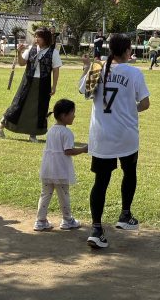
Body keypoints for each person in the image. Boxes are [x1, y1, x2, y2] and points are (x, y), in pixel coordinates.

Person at [80, 34, 150, 249]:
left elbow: (84, 92)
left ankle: (96, 228)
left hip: (102, 135)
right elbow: (145, 103)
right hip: (126, 134)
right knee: (129, 172)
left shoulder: (97, 68)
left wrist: (86, 67)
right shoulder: (134, 72)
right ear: (128, 50)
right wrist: (130, 109)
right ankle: (125, 214)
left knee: (101, 182)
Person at [0, 28, 61, 142]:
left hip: (44, 83)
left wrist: (54, 86)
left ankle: (33, 134)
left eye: (38, 36)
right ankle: (0, 126)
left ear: (45, 38)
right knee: (18, 104)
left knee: (39, 109)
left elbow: (55, 70)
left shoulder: (53, 52)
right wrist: (19, 52)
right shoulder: (31, 49)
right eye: (35, 36)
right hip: (28, 81)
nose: (36, 39)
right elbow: (21, 63)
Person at [35, 99, 87, 231]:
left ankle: (40, 221)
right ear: (64, 116)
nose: (74, 116)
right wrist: (83, 149)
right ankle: (67, 219)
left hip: (48, 168)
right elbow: (68, 151)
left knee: (45, 194)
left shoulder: (51, 130)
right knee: (64, 194)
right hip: (60, 170)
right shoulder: (67, 133)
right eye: (72, 113)